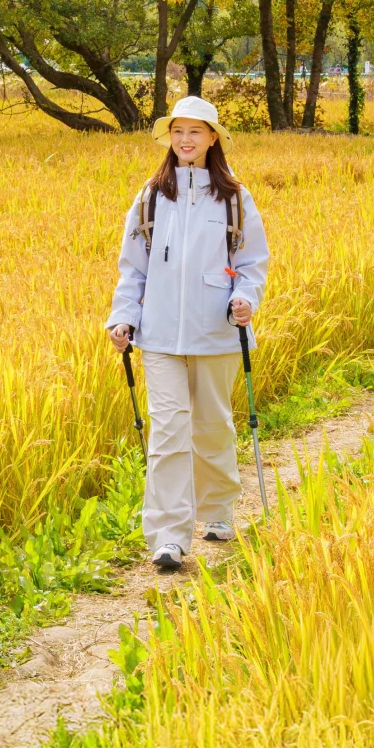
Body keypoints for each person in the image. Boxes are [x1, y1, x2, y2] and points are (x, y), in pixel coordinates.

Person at [106, 94, 269, 570]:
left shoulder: (235, 197)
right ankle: (170, 536)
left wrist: (246, 299)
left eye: (195, 131)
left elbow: (252, 263)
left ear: (213, 138)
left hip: (215, 331)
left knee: (213, 425)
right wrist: (123, 318)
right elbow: (131, 269)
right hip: (157, 336)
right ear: (169, 137)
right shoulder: (151, 196)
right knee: (169, 432)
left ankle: (218, 510)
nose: (185, 140)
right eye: (178, 131)